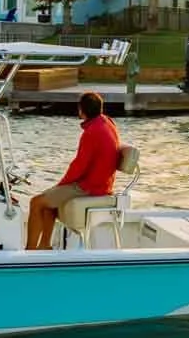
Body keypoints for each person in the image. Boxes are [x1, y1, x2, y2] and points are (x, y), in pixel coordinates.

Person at [27, 90, 122, 249]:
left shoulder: (91, 133)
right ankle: (44, 246)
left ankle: (29, 252)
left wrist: (60, 185)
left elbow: (79, 166)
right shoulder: (107, 123)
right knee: (47, 202)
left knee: (36, 202)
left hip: (90, 187)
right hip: (102, 184)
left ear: (81, 110)